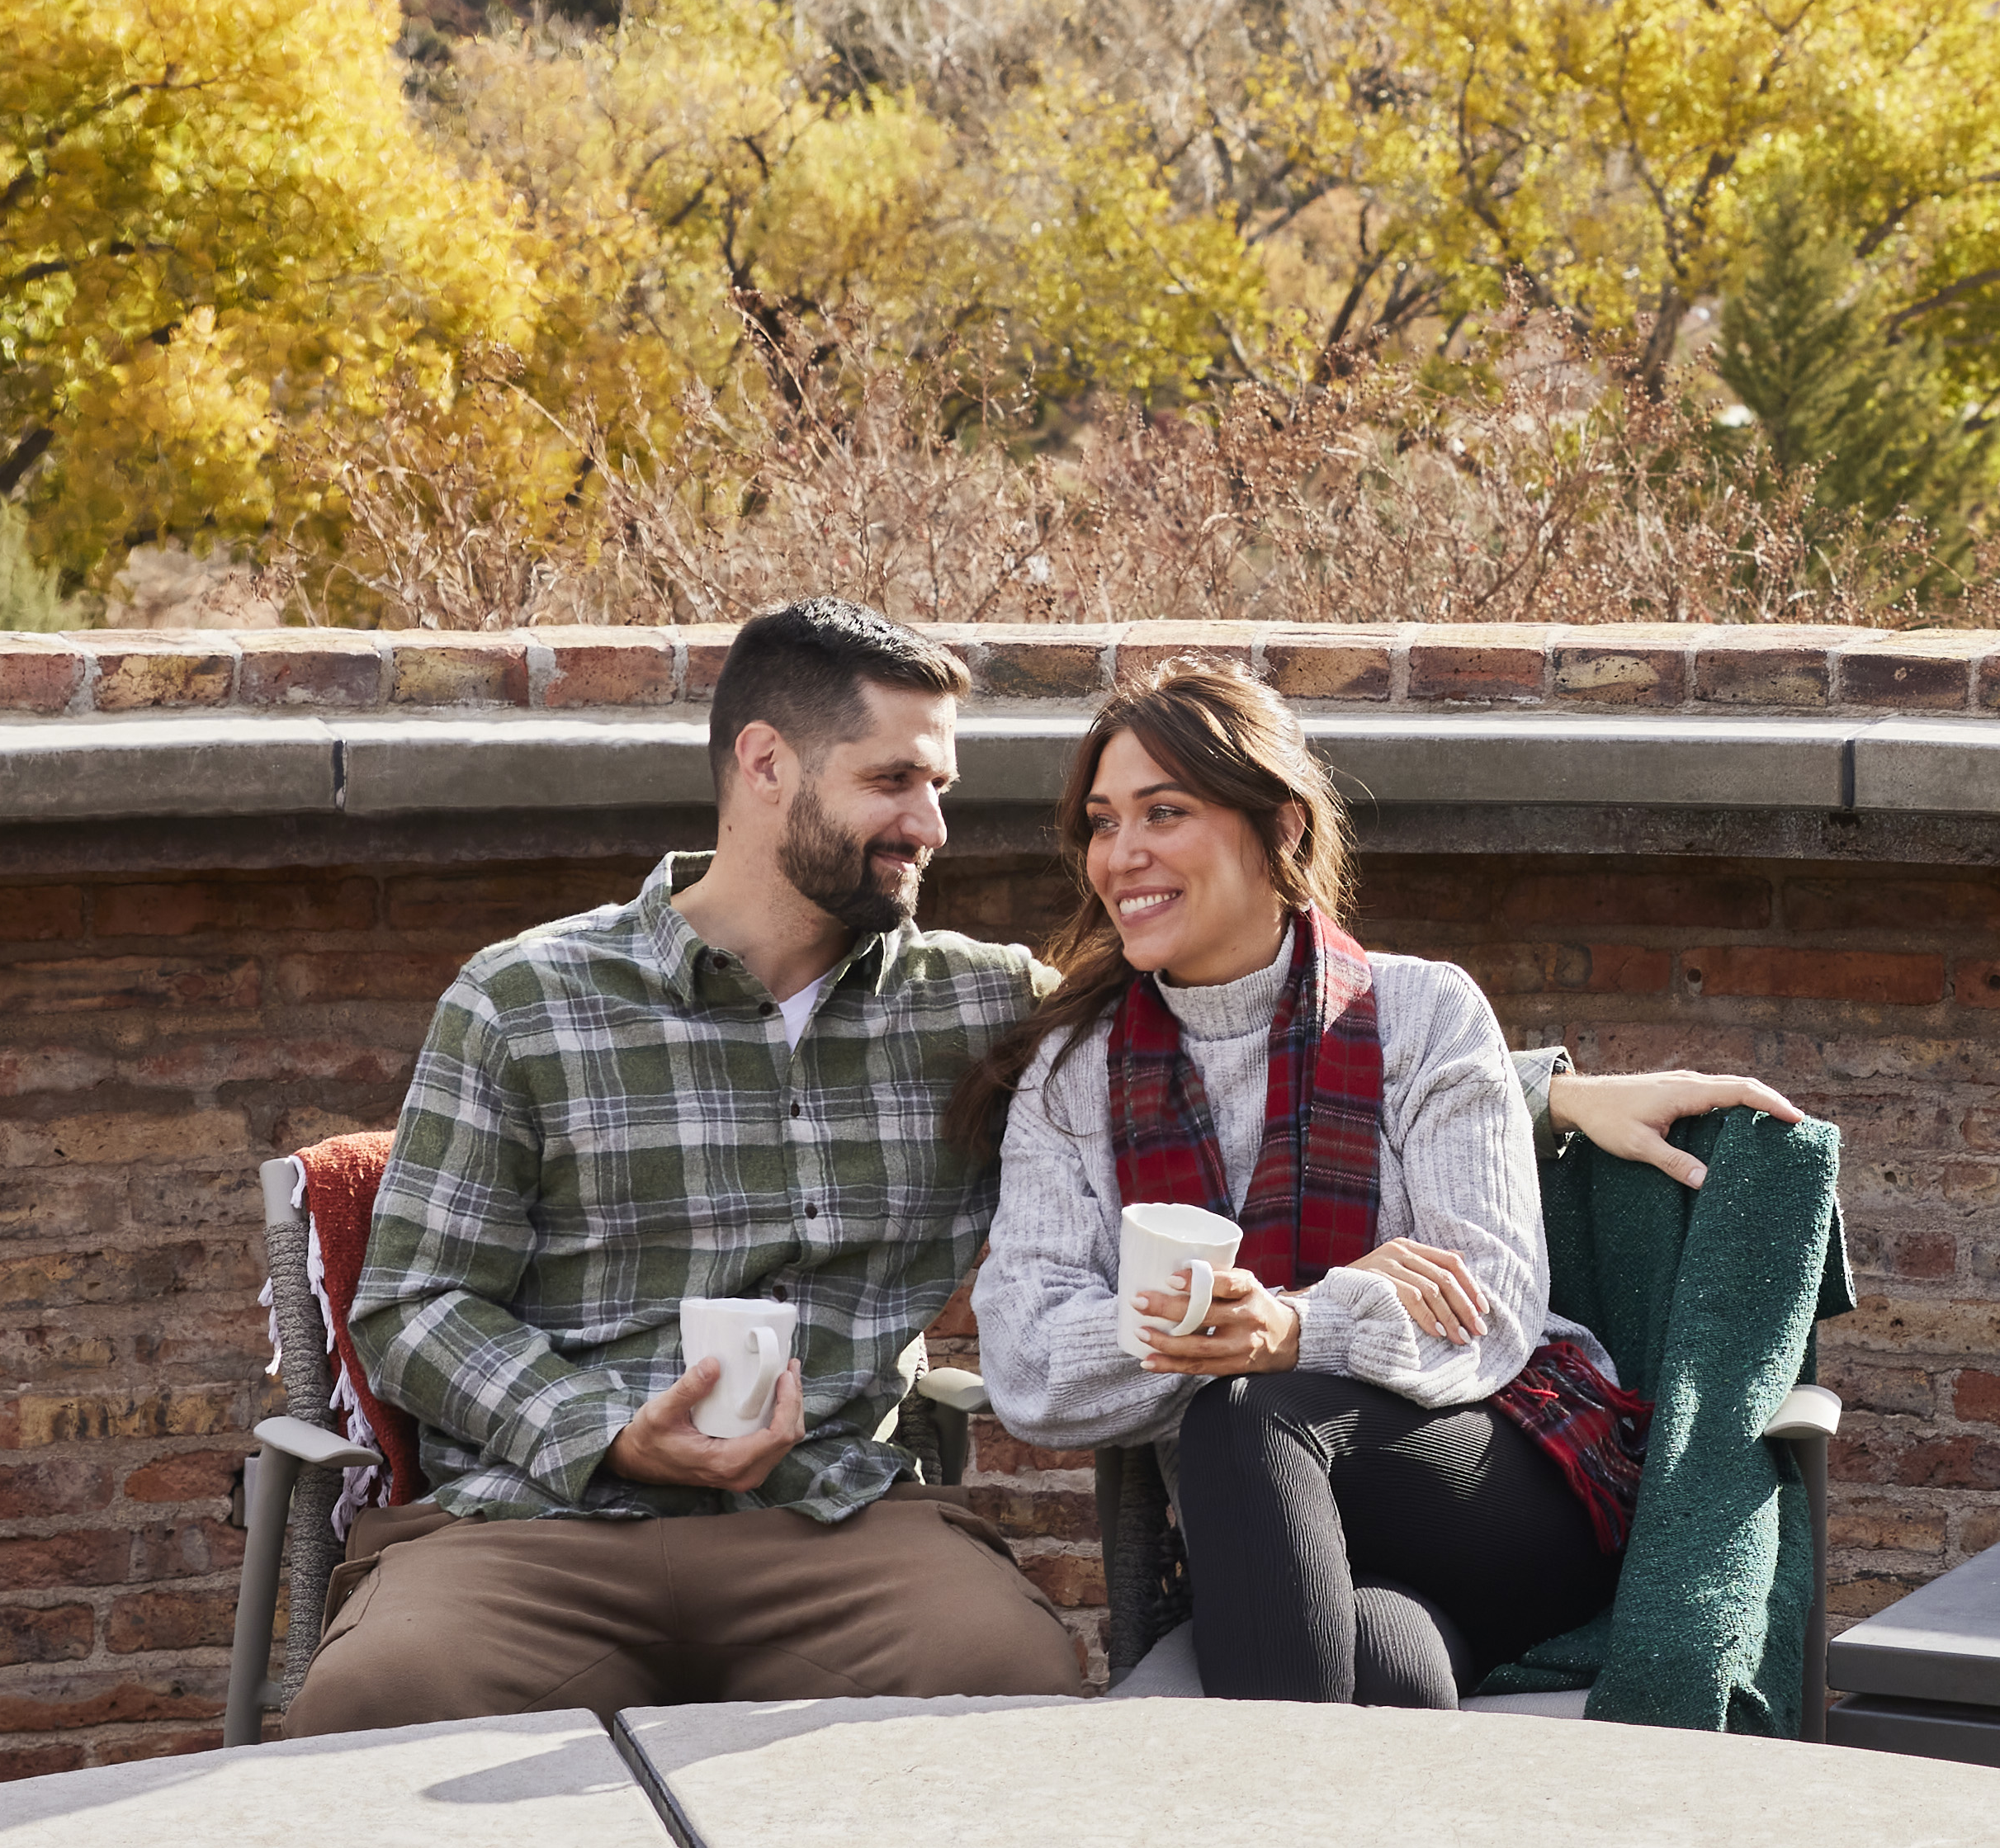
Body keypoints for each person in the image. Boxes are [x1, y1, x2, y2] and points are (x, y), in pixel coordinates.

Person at [281, 602, 1789, 1728]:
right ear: (762, 767)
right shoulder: (529, 997)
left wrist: (1556, 1092)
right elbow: (414, 1312)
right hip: (541, 1527)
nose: (934, 825)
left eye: (941, 786)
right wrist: (614, 1433)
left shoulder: (978, 1005)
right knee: (370, 1710)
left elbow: (1291, 1027)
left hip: (832, 1517)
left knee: (1012, 1685)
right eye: (895, 786)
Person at [962, 658, 1653, 1709]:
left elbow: (1494, 1303)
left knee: (1245, 1412)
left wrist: (1289, 1332)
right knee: (1386, 1669)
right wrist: (1243, 1321)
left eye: (1163, 811)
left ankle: (1253, 1847)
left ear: (1281, 826)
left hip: (1487, 1475)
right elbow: (1023, 1359)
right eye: (1101, 821)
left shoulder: (1425, 1013)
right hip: (1278, 1534)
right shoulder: (1072, 1075)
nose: (1121, 852)